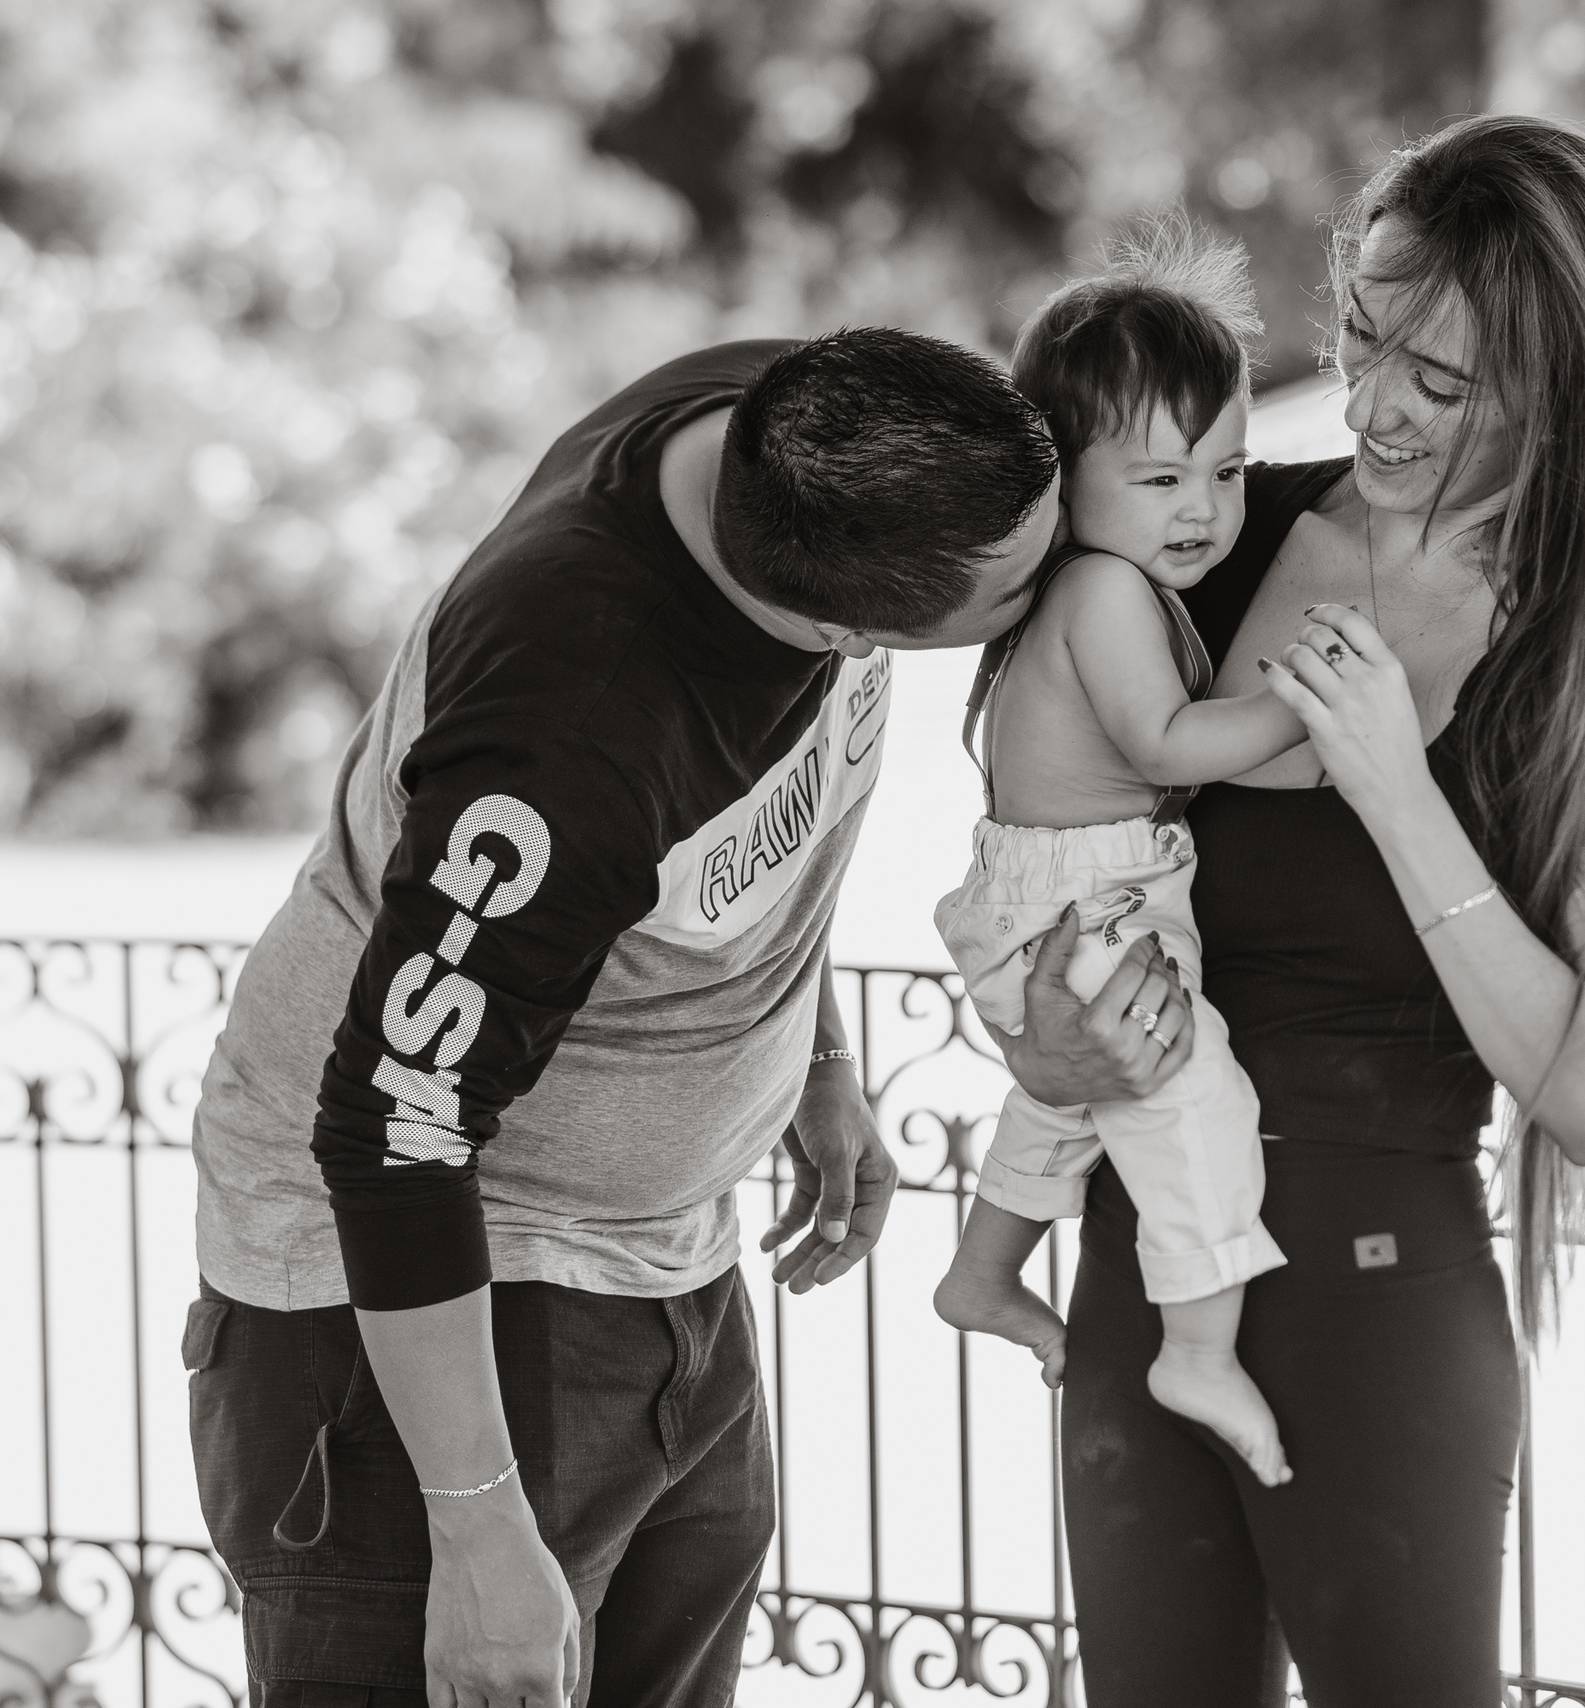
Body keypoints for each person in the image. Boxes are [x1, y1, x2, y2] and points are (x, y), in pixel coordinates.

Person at [184, 329, 1195, 1708]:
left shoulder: (800, 430)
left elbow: (763, 819)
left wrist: (813, 1061)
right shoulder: (571, 738)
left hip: (666, 1272)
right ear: (850, 628)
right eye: (1016, 586)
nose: (1058, 583)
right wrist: (477, 1530)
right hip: (424, 1315)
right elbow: (392, 1131)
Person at [1057, 112, 1585, 1706]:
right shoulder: (1215, 541)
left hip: (1377, 1298)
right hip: (1141, 1260)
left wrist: (1393, 786)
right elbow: (1047, 845)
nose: (1375, 408)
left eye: (1444, 380)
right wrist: (1051, 1030)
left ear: (1566, 382)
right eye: (1364, 341)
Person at [929, 222, 1303, 1487]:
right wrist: (1309, 698)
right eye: (1159, 479)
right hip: (1088, 898)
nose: (1203, 507)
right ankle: (1198, 1344)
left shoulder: (1090, 589)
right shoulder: (1102, 594)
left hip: (1061, 893)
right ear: (1060, 478)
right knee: (1190, 1087)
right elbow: (1171, 740)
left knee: (1076, 1090)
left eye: (1229, 469)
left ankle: (981, 1274)